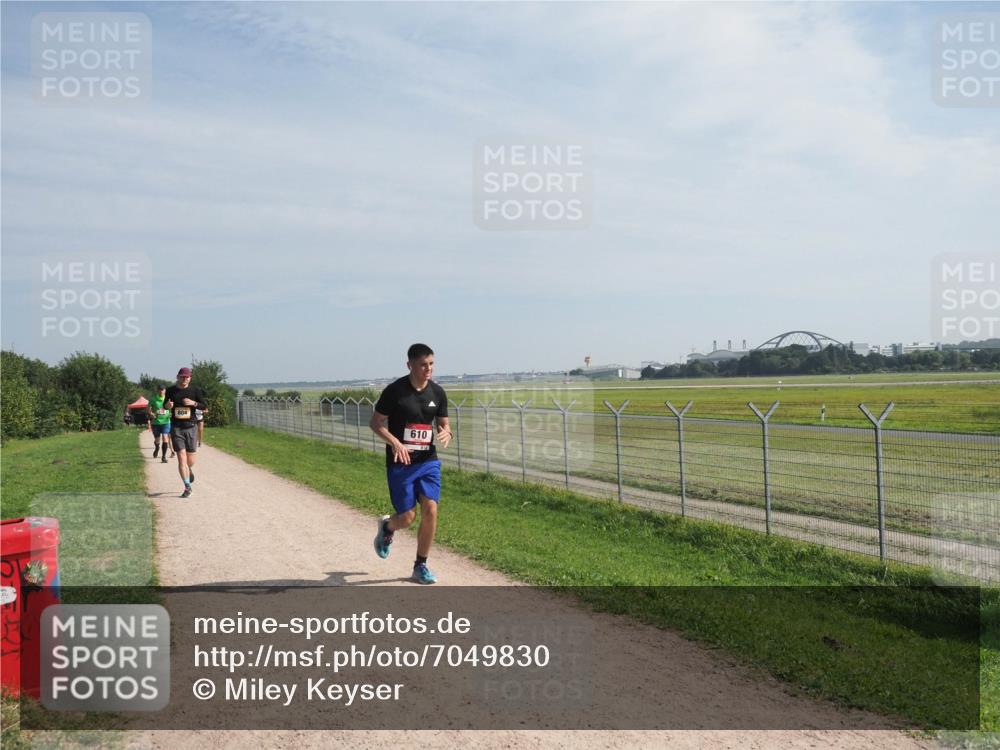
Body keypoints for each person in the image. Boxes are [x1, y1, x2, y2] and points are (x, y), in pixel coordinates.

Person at [369, 343, 450, 584]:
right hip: (401, 463)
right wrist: (395, 442)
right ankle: (387, 528)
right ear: (410, 365)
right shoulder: (395, 392)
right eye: (423, 365)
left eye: (431, 364)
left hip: (427, 461)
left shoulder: (437, 393)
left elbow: (444, 425)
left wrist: (447, 433)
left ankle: (420, 565)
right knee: (406, 518)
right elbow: (376, 423)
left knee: (431, 510)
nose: (428, 369)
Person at [165, 367, 207, 498]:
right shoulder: (171, 390)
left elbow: (204, 406)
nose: (184, 379)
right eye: (182, 376)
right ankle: (187, 486)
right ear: (177, 376)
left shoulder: (195, 390)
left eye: (187, 377)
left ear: (190, 378)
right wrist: (168, 406)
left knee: (190, 459)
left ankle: (189, 469)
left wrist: (193, 403)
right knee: (181, 457)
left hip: (191, 427)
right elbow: (164, 406)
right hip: (176, 427)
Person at [147, 385, 172, 463]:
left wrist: (171, 413)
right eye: (160, 390)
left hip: (166, 422)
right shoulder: (153, 399)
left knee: (165, 438)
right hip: (156, 422)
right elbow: (148, 408)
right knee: (157, 440)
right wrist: (151, 414)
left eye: (163, 390)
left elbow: (172, 407)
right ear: (158, 390)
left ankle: (163, 457)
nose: (161, 391)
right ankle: (157, 447)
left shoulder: (168, 399)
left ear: (165, 391)